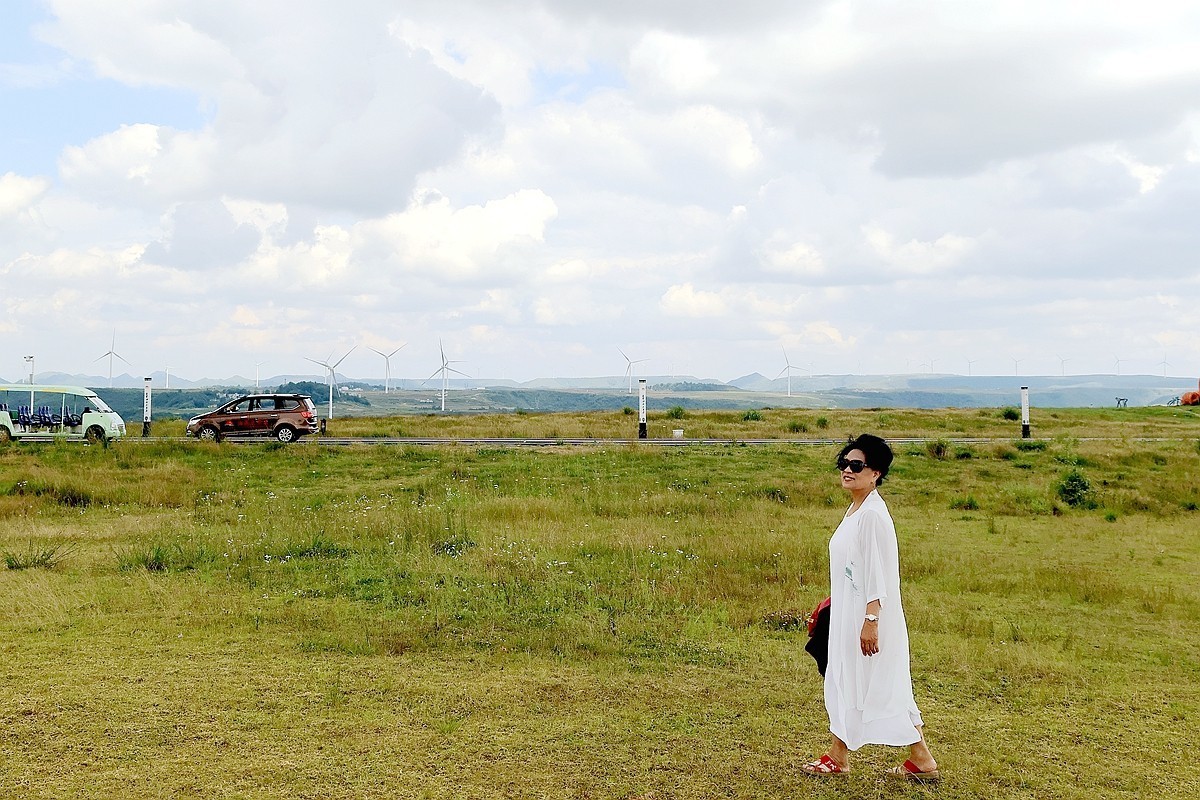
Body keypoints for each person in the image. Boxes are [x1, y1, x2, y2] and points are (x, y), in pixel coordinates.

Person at [800, 434, 940, 783]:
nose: (847, 470)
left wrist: (871, 620)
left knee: (881, 685)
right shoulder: (857, 510)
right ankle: (844, 755)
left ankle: (916, 757)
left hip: (867, 618)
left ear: (875, 473)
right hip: (850, 614)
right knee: (848, 679)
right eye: (844, 463)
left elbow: (878, 573)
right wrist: (832, 605)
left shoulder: (873, 515)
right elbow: (854, 568)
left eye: (856, 465)